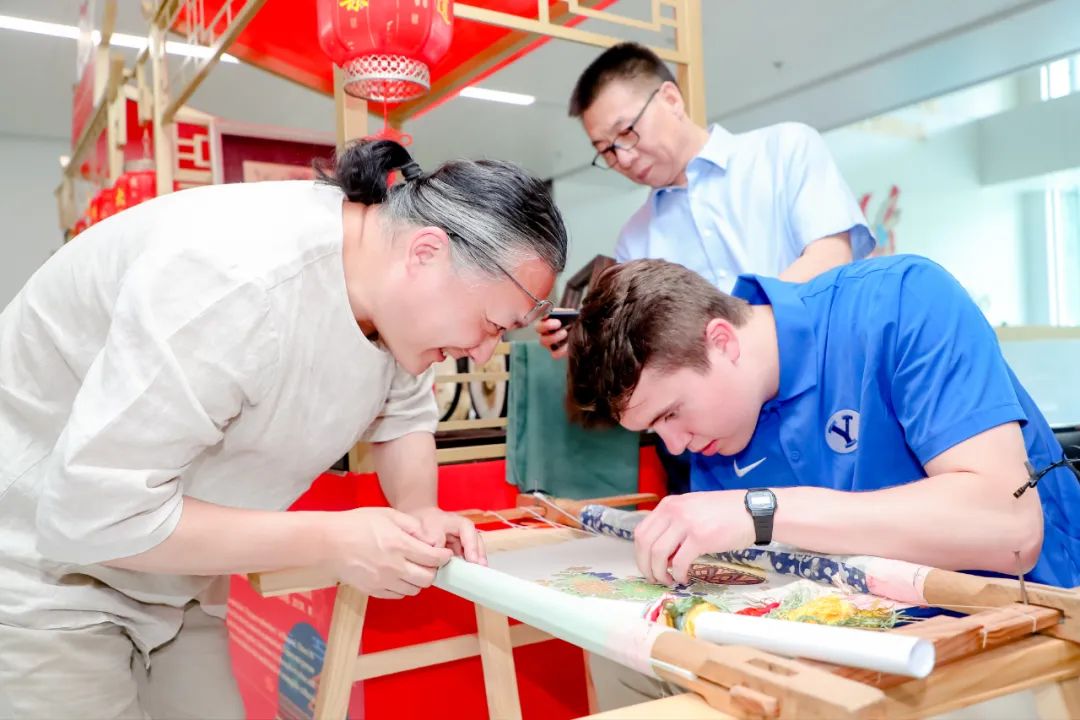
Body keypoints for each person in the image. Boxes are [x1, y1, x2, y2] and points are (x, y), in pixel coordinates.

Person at [0, 139, 567, 719]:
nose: (482, 351)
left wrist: (420, 509)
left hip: (174, 575)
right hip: (44, 572)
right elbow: (95, 513)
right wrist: (336, 540)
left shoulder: (389, 291)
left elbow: (403, 412)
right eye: (489, 324)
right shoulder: (232, 280)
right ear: (427, 252)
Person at [565, 255, 1079, 589]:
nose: (676, 446)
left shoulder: (901, 301)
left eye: (672, 413)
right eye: (655, 431)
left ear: (721, 342)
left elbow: (1009, 528)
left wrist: (763, 511)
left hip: (1041, 635)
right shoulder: (716, 439)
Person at [538, 42, 874, 359]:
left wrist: (737, 331)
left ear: (671, 99)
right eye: (606, 150)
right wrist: (591, 344)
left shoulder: (785, 149)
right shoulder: (634, 239)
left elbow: (831, 257)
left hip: (827, 373)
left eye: (626, 132)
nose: (622, 158)